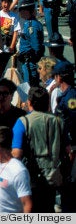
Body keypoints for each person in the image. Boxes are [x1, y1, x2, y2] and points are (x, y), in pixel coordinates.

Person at [12, 86, 64, 212]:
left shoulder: (23, 122)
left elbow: (16, 153)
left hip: (31, 178)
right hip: (53, 176)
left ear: (29, 103)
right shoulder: (58, 121)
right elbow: (67, 150)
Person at [51, 61, 76, 212]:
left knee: (69, 183)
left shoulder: (71, 98)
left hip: (70, 147)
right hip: (66, 146)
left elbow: (72, 122)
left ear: (60, 77)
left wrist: (70, 148)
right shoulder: (65, 95)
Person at [16, 0, 44, 85]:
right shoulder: (28, 23)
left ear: (27, 10)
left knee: (29, 86)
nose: (19, 12)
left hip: (30, 61)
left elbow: (36, 46)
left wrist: (31, 58)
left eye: (21, 10)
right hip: (27, 60)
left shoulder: (31, 26)